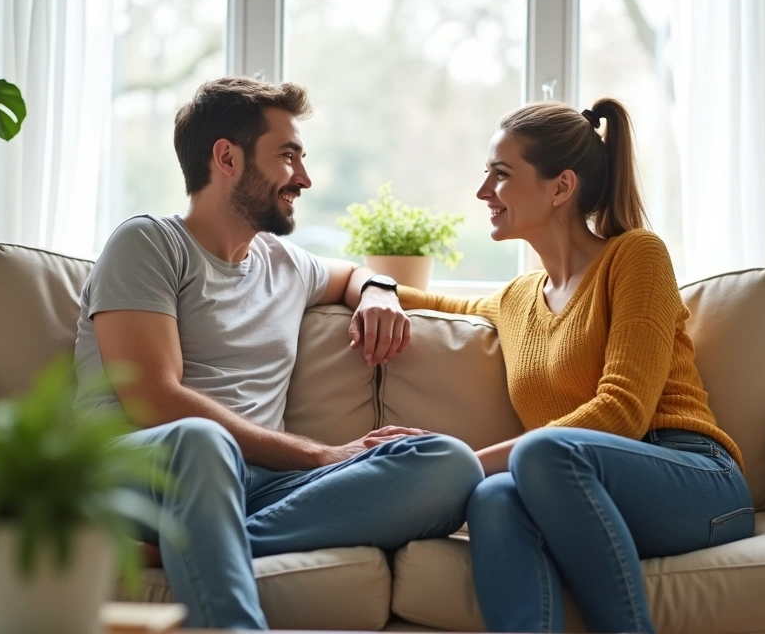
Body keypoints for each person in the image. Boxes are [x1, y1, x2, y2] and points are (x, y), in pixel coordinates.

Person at [72, 77, 484, 629]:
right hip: (148, 470)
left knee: (449, 464)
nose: (305, 178)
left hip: (258, 488)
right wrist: (319, 454)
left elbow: (353, 274)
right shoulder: (147, 244)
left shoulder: (285, 263)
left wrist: (378, 290)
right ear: (227, 158)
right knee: (203, 441)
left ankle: (192, 541)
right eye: (288, 156)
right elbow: (153, 399)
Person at [393, 100, 755, 634]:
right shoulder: (516, 299)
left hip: (696, 478)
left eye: (500, 174)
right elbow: (427, 302)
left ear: (560, 187)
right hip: (572, 481)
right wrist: (365, 287)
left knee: (536, 452)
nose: (482, 192)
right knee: (493, 498)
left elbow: (623, 413)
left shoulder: (635, 257)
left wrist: (462, 463)